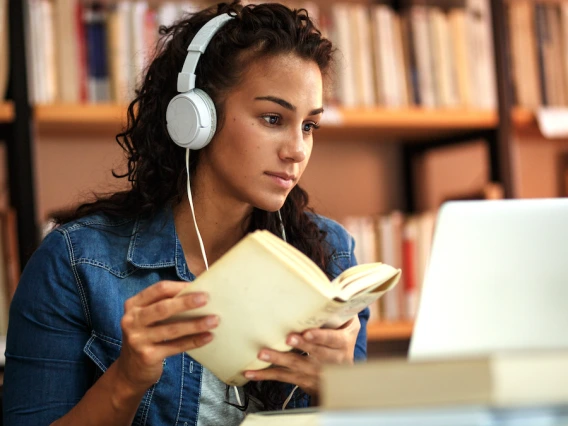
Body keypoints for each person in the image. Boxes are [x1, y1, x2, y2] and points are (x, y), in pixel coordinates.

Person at [4, 1, 369, 425]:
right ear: (197, 118)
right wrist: (126, 379)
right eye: (273, 118)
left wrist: (340, 388)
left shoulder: (331, 256)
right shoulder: (74, 263)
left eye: (309, 126)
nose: (297, 149)